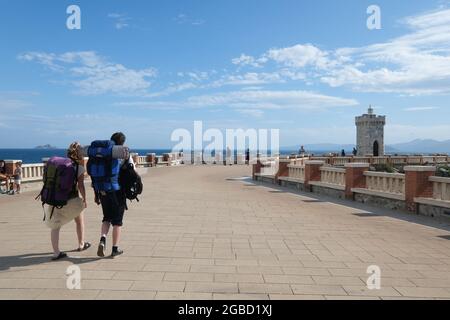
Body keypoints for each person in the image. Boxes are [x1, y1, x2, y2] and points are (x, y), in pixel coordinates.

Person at [48, 142, 90, 260]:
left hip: (56, 198)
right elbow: (80, 185)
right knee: (79, 221)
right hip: (72, 199)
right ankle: (81, 244)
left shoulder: (60, 165)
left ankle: (56, 252)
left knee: (55, 226)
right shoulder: (79, 167)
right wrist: (85, 199)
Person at [95, 132, 134, 258]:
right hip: (117, 191)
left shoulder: (101, 154)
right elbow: (133, 171)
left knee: (106, 217)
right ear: (122, 143)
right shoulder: (124, 154)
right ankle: (114, 249)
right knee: (117, 221)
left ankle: (102, 239)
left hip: (102, 189)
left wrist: (96, 194)